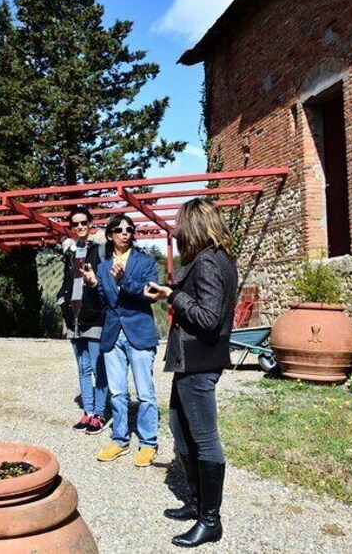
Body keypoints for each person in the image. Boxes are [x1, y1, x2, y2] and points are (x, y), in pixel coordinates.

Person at [144, 197, 238, 548]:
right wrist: (173, 294)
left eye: (182, 224)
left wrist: (173, 297)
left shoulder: (209, 263)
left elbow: (208, 319)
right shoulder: (215, 260)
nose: (178, 231)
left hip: (199, 361)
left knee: (203, 438)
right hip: (193, 361)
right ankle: (198, 504)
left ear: (194, 226)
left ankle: (210, 522)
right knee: (179, 428)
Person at [82, 214, 160, 467]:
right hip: (113, 334)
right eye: (118, 229)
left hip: (139, 332)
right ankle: (120, 439)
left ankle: (148, 443)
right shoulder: (103, 267)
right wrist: (93, 285)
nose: (125, 233)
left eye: (129, 229)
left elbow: (151, 294)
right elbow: (99, 305)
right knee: (117, 393)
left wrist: (123, 280)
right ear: (110, 235)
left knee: (145, 393)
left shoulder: (145, 261)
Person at [57, 207, 108, 435]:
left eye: (83, 222)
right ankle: (87, 412)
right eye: (75, 224)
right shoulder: (69, 251)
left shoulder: (100, 249)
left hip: (94, 316)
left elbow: (105, 281)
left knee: (98, 367)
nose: (79, 227)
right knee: (82, 368)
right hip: (74, 318)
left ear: (90, 223)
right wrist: (61, 301)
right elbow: (67, 281)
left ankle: (99, 413)